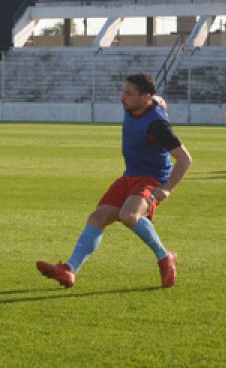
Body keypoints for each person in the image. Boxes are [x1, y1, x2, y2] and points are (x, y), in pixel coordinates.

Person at [37, 73, 192, 289]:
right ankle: (70, 269)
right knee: (97, 217)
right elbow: (159, 100)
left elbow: (185, 159)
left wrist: (167, 189)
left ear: (145, 97)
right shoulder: (136, 105)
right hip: (129, 176)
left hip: (151, 179)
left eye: (129, 93)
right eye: (123, 91)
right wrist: (158, 100)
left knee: (128, 215)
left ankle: (165, 258)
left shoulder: (158, 125)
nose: (123, 97)